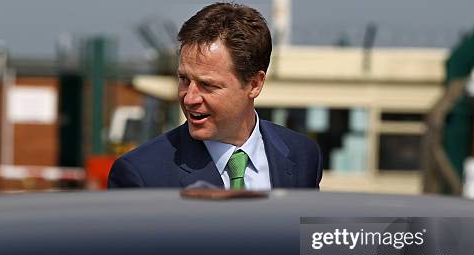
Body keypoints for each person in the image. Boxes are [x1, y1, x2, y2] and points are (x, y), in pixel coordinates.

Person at [108, 2, 322, 190]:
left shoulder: (302, 155)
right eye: (184, 79)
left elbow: (308, 236)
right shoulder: (141, 175)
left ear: (255, 84)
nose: (189, 98)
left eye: (207, 85)